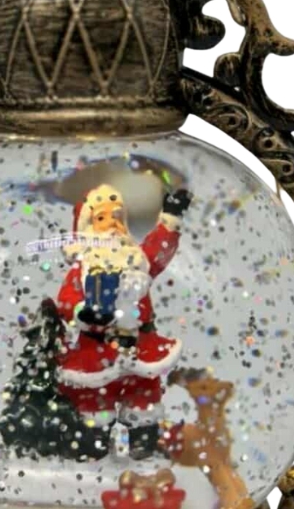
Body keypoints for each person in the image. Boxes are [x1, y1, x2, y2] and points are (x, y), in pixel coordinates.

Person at [54, 182, 192, 460]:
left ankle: (144, 446)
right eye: (101, 218)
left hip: (140, 347)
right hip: (96, 350)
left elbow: (158, 249)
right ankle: (92, 446)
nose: (112, 225)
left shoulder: (138, 260)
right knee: (94, 402)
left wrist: (171, 217)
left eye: (117, 217)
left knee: (144, 396)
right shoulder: (83, 267)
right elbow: (67, 300)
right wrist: (83, 312)